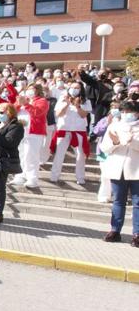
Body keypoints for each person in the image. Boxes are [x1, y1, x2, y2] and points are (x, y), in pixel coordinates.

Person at [100, 101, 139, 246]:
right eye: (123, 111)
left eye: (129, 111)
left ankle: (137, 234)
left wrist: (132, 141)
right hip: (118, 169)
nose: (125, 114)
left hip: (136, 170)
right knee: (118, 201)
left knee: (137, 203)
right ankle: (115, 230)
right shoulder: (114, 126)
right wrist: (115, 142)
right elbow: (104, 148)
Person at [50, 80, 92, 185]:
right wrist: (67, 104)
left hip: (79, 131)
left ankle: (80, 177)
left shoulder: (86, 101)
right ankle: (54, 176)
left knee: (80, 155)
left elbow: (83, 115)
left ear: (81, 89)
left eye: (77, 88)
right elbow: (59, 114)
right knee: (59, 154)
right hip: (64, 130)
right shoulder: (62, 98)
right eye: (73, 87)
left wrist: (77, 106)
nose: (74, 89)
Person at [9, 83, 49, 188]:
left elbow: (38, 113)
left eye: (32, 89)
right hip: (21, 131)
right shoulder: (22, 100)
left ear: (38, 90)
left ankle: (32, 178)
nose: (29, 91)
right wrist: (18, 104)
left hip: (34, 132)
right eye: (28, 89)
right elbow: (11, 112)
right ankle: (20, 176)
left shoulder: (42, 101)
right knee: (20, 154)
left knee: (31, 156)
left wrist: (26, 104)